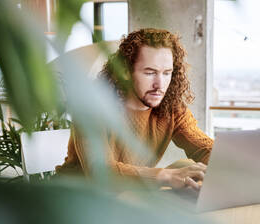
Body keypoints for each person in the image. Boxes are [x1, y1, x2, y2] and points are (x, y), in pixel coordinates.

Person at [56, 28, 213, 191]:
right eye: (150, 72)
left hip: (125, 197)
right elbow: (100, 172)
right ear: (125, 71)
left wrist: (223, 163)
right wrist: (166, 176)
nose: (159, 85)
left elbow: (204, 148)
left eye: (167, 73)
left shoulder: (172, 109)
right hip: (74, 198)